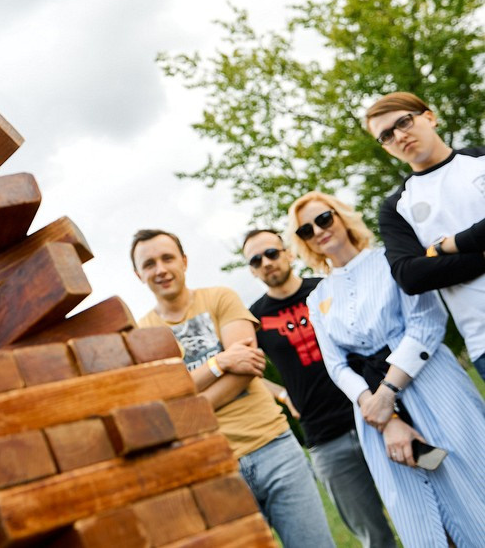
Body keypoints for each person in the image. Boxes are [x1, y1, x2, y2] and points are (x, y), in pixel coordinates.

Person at [288, 190, 485, 547]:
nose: (318, 231)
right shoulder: (316, 298)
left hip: (432, 386)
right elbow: (335, 364)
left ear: (342, 216)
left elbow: (426, 324)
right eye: (305, 230)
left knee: (472, 482)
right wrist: (381, 412)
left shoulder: (389, 260)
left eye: (323, 219)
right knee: (420, 511)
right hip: (375, 414)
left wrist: (387, 393)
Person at [131, 230, 335, 547]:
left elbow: (248, 367)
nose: (160, 269)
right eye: (149, 263)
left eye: (168, 258)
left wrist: (187, 403)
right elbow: (162, 401)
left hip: (274, 447)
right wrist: (219, 363)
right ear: (138, 274)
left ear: (184, 262)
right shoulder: (141, 334)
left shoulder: (220, 298)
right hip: (213, 468)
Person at [242, 229, 395, 548]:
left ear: (289, 253)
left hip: (378, 417)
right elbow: (245, 368)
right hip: (325, 439)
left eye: (271, 253)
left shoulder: (326, 290)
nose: (266, 262)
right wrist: (281, 394)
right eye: (256, 260)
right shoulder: (254, 318)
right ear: (252, 270)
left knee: (425, 514)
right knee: (375, 537)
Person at [365, 91, 485, 378]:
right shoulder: (397, 207)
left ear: (429, 117)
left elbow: (427, 266)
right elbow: (411, 275)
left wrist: (447, 247)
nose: (399, 136)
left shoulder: (481, 159)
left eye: (404, 122)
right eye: (387, 136)